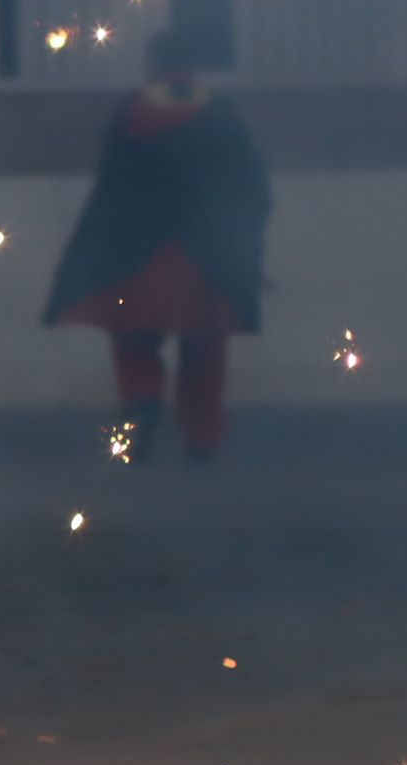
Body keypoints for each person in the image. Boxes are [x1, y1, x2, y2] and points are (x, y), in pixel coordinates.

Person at [42, 29, 269, 461]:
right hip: (203, 258)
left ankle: (141, 408)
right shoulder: (220, 111)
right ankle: (201, 441)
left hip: (138, 260)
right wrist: (243, 246)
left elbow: (111, 188)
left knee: (133, 341)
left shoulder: (133, 111)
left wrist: (91, 254)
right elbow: (251, 186)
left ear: (152, 64)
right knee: (204, 349)